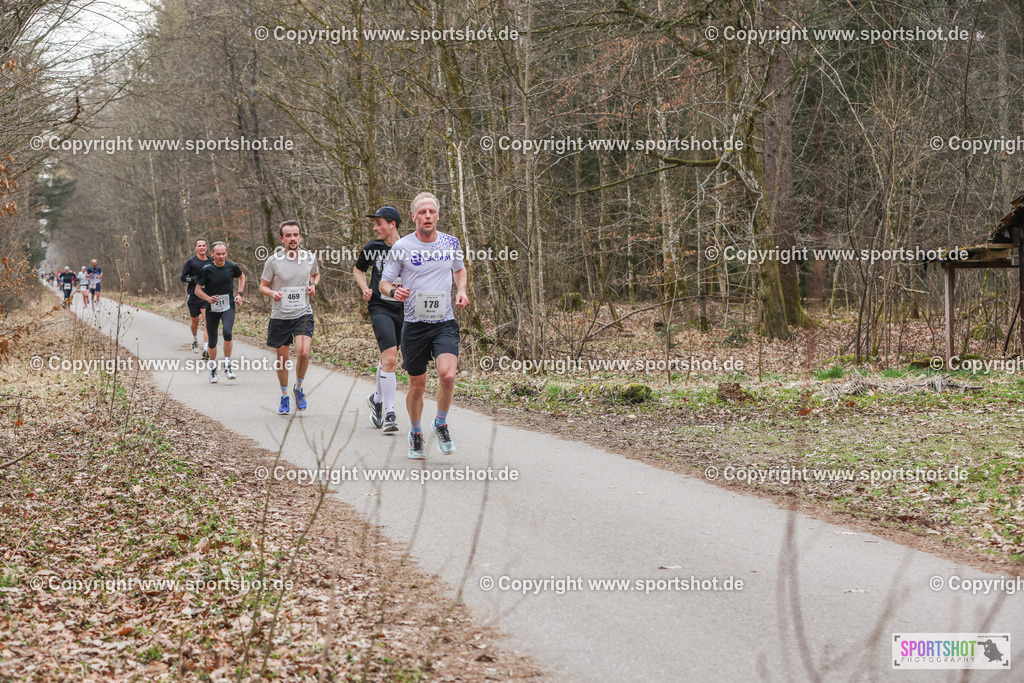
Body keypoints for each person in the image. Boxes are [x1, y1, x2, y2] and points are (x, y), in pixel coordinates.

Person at [379, 192, 469, 459]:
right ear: (414, 217)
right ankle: (416, 432)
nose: (427, 216)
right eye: (422, 212)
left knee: (448, 375)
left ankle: (440, 423)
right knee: (417, 386)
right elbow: (384, 283)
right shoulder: (402, 247)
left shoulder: (451, 242)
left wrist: (461, 290)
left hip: (444, 322)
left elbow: (459, 269)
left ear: (438, 215)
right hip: (415, 324)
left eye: (432, 212)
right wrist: (394, 292)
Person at [259, 220, 319, 415]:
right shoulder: (273, 261)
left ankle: (298, 388)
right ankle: (284, 395)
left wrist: (313, 285)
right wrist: (272, 294)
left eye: (295, 235)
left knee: (303, 353)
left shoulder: (310, 258)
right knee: (283, 359)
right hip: (280, 316)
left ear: (300, 237)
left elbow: (316, 274)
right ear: (282, 239)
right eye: (288, 236)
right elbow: (263, 285)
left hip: (303, 313)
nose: (292, 239)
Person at [354, 206, 404, 433]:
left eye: (378, 223)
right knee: (391, 359)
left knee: (388, 359)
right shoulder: (373, 247)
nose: (375, 228)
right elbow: (358, 270)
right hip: (379, 306)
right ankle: (390, 413)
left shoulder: (410, 246)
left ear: (392, 224)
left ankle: (376, 398)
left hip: (405, 310)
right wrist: (365, 288)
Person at [194, 242, 245, 383]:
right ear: (212, 254)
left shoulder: (232, 266)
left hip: (228, 306)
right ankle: (213, 368)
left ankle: (227, 365)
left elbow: (242, 277)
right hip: (212, 308)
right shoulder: (206, 270)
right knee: (212, 340)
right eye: (218, 254)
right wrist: (208, 298)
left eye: (223, 254)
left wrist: (239, 294)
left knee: (228, 332)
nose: (221, 256)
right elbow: (197, 290)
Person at [180, 238, 212, 357]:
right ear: (196, 248)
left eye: (204, 245)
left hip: (206, 295)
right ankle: (194, 340)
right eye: (199, 246)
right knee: (195, 322)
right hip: (193, 295)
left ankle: (206, 349)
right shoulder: (191, 262)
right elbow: (183, 278)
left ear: (206, 247)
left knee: (207, 321)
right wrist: (195, 279)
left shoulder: (212, 261)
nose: (202, 247)